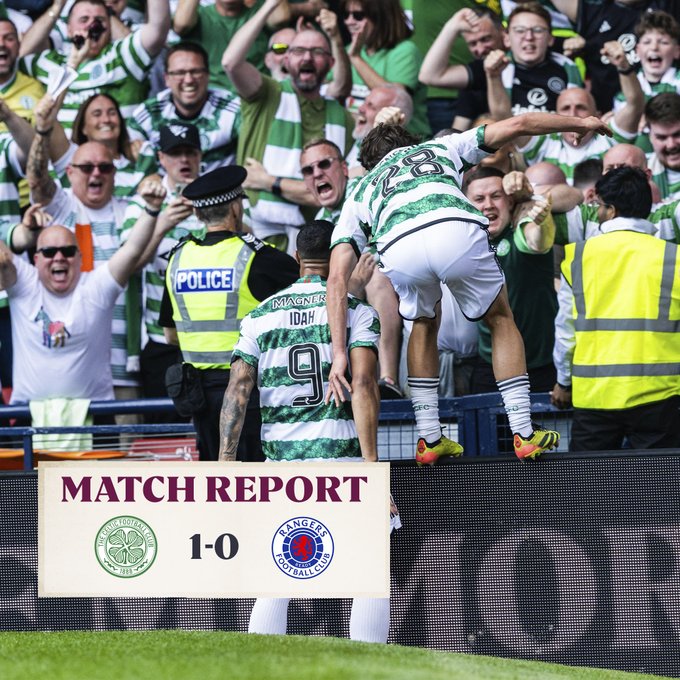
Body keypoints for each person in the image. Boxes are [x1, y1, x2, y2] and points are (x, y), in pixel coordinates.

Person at [326, 113, 613, 464]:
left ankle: (430, 438)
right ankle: (524, 432)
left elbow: (337, 278)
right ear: (410, 145)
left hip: (398, 244)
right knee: (500, 317)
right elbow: (518, 124)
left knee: (423, 322)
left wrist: (339, 351)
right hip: (452, 227)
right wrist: (579, 122)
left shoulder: (359, 189)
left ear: (369, 163)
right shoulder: (438, 147)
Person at [218, 219, 391, 644]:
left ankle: (260, 669)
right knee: (366, 572)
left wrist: (225, 461)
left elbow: (238, 388)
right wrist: (371, 470)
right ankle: (370, 669)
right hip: (345, 464)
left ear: (297, 259)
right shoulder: (356, 312)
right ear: (337, 258)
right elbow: (365, 385)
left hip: (284, 469)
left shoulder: (259, 317)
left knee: (278, 578)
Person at [159, 165, 299, 461]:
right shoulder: (257, 256)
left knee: (214, 484)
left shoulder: (178, 258)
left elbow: (169, 334)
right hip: (249, 392)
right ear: (236, 208)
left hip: (198, 398)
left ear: (197, 214)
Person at [551, 167, 680, 450]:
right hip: (661, 396)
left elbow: (566, 331)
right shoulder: (674, 257)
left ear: (610, 210)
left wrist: (563, 381)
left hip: (594, 396)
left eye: (597, 206)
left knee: (591, 489)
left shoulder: (578, 257)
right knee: (659, 489)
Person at [0, 183, 165, 404]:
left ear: (79, 257)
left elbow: (133, 250)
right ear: (36, 259)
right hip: (30, 418)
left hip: (95, 416)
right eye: (49, 252)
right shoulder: (25, 283)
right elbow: (2, 258)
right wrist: (26, 230)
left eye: (67, 251)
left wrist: (152, 208)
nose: (59, 258)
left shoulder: (95, 287)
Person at [222, 0, 354, 251]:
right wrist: (269, 6)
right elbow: (230, 62)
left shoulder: (342, 117)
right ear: (286, 59)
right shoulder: (267, 94)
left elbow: (332, 193)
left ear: (330, 62)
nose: (307, 57)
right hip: (256, 238)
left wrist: (268, 181)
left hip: (318, 245)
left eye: (317, 52)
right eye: (298, 50)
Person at [300, 137, 403, 398]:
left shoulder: (363, 189)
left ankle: (387, 379)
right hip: (352, 289)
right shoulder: (320, 221)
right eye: (308, 170)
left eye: (324, 164)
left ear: (344, 169)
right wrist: (352, 283)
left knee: (376, 275)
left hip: (395, 274)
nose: (317, 173)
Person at [121, 124, 204, 416]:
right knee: (166, 433)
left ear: (200, 155)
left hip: (210, 340)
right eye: (175, 153)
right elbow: (129, 265)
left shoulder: (217, 198)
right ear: (161, 158)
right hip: (162, 339)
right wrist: (161, 224)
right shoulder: (141, 205)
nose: (183, 160)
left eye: (189, 152)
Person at [464, 167, 558, 395]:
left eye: (496, 196)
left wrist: (541, 220)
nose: (488, 205)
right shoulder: (465, 241)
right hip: (491, 364)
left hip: (541, 367)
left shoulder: (520, 229)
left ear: (511, 202)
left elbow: (537, 240)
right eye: (479, 199)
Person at [19, 0, 171, 132]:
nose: (92, 25)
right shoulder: (49, 63)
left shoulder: (122, 56)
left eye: (99, 20)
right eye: (84, 19)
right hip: (65, 160)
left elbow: (157, 30)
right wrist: (57, 7)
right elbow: (19, 56)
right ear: (68, 29)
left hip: (114, 158)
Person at [128, 41, 241, 173]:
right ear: (166, 79)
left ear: (207, 75)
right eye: (180, 73)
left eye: (195, 71)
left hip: (220, 190)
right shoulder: (148, 115)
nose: (188, 80)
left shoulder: (233, 110)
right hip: (166, 190)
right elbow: (129, 160)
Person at [340, 0, 430, 138]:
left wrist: (356, 58)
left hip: (403, 146)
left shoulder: (405, 51)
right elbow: (328, 91)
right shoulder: (351, 50)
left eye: (358, 15)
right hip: (365, 146)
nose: (349, 21)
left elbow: (396, 101)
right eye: (346, 14)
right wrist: (334, 38)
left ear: (380, 16)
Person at [484, 2, 583, 119]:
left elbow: (577, 121)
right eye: (520, 30)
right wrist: (493, 77)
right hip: (513, 136)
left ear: (551, 39)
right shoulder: (493, 69)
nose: (529, 37)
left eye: (538, 30)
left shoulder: (568, 69)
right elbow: (499, 122)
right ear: (506, 38)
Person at [173, 0, 290, 93]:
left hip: (253, 96)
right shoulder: (199, 16)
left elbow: (281, 18)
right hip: (210, 99)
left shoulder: (260, 14)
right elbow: (181, 25)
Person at [418, 7, 505, 132]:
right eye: (473, 44)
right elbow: (428, 76)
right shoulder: (479, 71)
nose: (480, 50)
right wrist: (452, 26)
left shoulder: (524, 61)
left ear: (503, 32)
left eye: (485, 39)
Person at [0, 19, 45, 129]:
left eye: (9, 38)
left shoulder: (33, 88)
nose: (1, 44)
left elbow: (40, 141)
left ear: (19, 46)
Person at [645, 92, 680, 200]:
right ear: (649, 136)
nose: (671, 145)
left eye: (678, 134)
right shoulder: (639, 176)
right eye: (661, 137)